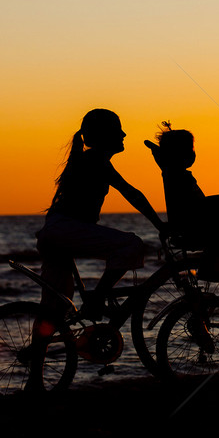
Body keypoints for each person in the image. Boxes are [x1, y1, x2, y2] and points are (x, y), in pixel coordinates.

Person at [35, 108, 166, 321]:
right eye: (118, 130)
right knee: (132, 245)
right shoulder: (96, 160)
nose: (124, 135)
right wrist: (160, 225)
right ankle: (97, 299)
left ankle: (36, 352)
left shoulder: (92, 160)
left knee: (54, 309)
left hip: (56, 231)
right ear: (105, 136)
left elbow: (130, 193)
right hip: (65, 230)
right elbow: (131, 193)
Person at [145, 122, 219, 277]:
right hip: (193, 225)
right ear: (178, 154)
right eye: (189, 150)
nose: (193, 154)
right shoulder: (176, 175)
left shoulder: (172, 173)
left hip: (190, 223)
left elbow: (162, 161)